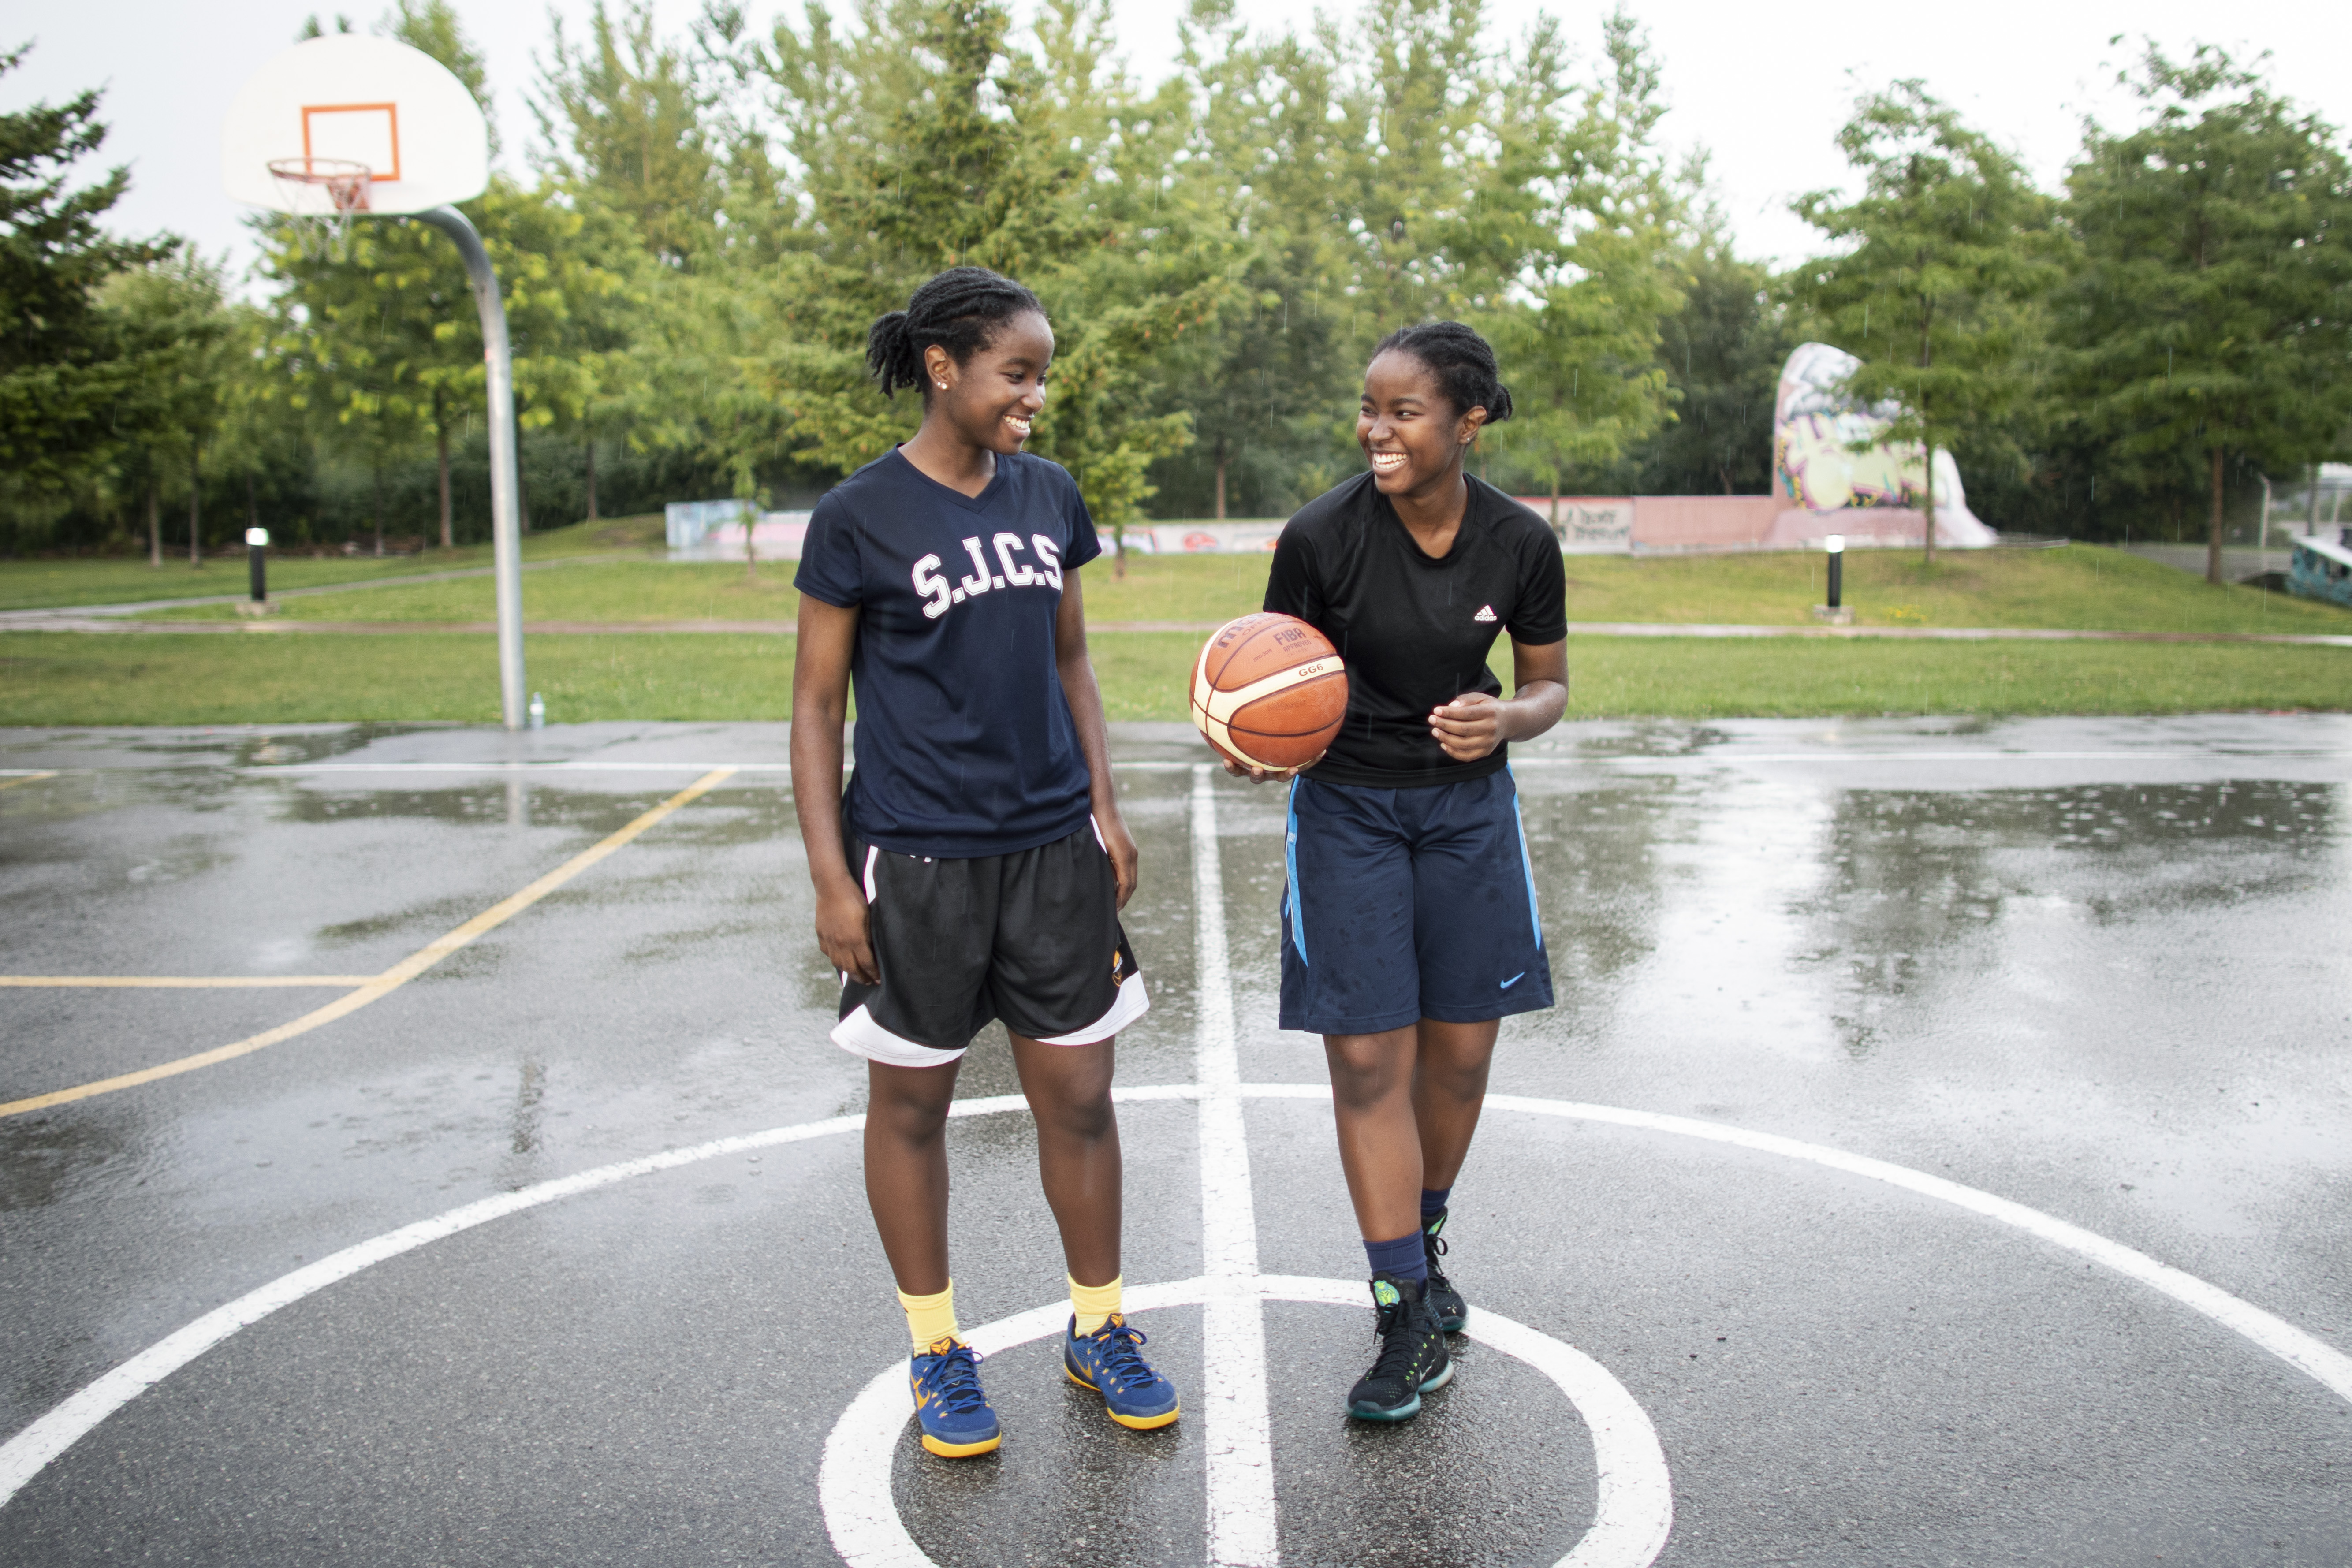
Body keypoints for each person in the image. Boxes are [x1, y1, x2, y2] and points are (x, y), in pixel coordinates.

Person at [790, 266, 1177, 1459]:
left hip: (1054, 849)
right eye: (1019, 372)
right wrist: (829, 874)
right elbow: (815, 707)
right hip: (915, 860)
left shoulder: (1050, 495)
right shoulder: (858, 516)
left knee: (1082, 1097)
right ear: (944, 366)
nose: (1036, 396)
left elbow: (1073, 662)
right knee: (912, 1104)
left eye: (1043, 374)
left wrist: (1105, 806)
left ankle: (1098, 1324)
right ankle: (936, 1345)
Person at [1239, 320, 1568, 1422]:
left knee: (1461, 1058)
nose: (1375, 429)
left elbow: (1550, 689)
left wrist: (1506, 717)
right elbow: (1273, 681)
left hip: (1469, 815)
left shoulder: (1519, 542)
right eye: (1368, 408)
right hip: (1346, 814)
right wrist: (1253, 738)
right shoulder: (1320, 537)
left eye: (1402, 411)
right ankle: (1400, 1309)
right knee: (1370, 1063)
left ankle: (1421, 1235)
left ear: (1467, 422)